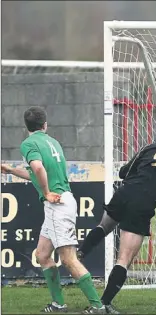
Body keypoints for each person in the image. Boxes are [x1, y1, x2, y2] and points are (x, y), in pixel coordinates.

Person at [76, 117, 156, 313]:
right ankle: (103, 304)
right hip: (142, 203)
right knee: (124, 259)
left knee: (103, 227)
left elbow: (124, 172)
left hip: (124, 193)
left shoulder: (148, 148)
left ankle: (79, 254)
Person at [1, 106, 104, 313]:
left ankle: (98, 306)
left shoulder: (28, 143)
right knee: (42, 254)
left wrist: (47, 192)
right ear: (45, 125)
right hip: (59, 203)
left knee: (68, 259)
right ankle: (58, 304)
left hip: (57, 203)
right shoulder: (53, 142)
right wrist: (12, 170)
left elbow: (38, 168)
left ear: (26, 125)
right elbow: (38, 172)